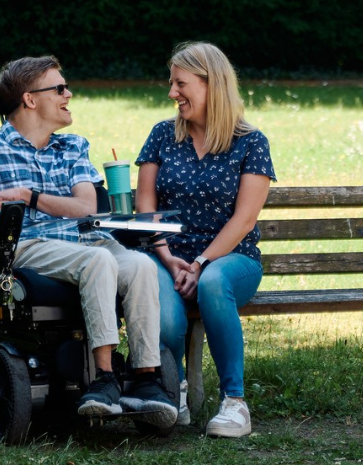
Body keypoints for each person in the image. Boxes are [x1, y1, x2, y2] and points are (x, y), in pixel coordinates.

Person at [0, 56, 176, 427]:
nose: (68, 94)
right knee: (99, 263)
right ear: (31, 99)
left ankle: (146, 379)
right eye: (59, 88)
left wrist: (29, 196)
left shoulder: (73, 146)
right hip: (28, 245)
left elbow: (84, 206)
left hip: (86, 242)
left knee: (140, 265)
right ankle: (106, 379)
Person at [137, 42, 273, 438]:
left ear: (211, 84)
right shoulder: (162, 135)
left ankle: (235, 404)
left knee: (213, 283)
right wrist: (165, 255)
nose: (172, 93)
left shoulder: (251, 142)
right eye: (171, 83)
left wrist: (200, 263)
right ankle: (172, 393)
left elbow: (244, 219)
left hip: (231, 259)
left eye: (181, 83)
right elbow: (147, 206)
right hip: (166, 256)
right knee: (161, 303)